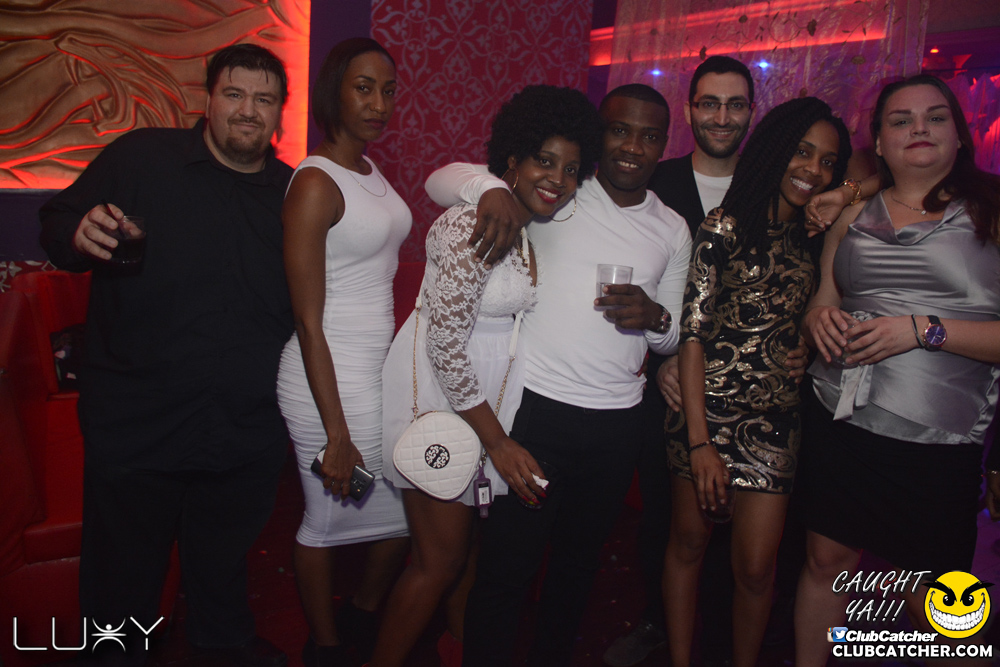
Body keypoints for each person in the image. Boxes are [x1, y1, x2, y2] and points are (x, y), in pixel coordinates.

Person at [38, 44, 293, 666]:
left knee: (223, 573)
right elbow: (58, 219)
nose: (248, 110)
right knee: (121, 583)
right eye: (234, 94)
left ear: (280, 112)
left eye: (264, 99)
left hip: (243, 427)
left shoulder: (294, 193)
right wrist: (77, 232)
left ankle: (220, 646)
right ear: (207, 100)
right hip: (137, 422)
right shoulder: (141, 157)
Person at [425, 83, 692, 667]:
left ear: (664, 145)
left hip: (618, 425)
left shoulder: (672, 228)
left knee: (577, 569)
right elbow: (441, 179)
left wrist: (654, 317)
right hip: (535, 412)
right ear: (599, 135)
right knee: (507, 567)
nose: (632, 147)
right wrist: (490, 189)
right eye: (619, 131)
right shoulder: (558, 190)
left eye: (649, 137)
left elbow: (673, 336)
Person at [369, 84, 602, 667]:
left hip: (482, 409)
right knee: (439, 562)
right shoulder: (471, 224)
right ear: (512, 162)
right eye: (545, 160)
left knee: (468, 556)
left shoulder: (522, 228)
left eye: (572, 169)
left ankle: (457, 651)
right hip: (444, 402)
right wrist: (498, 442)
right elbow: (446, 346)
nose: (557, 178)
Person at [794, 74, 1000, 667]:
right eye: (901, 120)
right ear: (879, 142)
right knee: (826, 564)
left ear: (959, 135)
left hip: (939, 436)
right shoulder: (852, 214)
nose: (919, 129)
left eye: (935, 117)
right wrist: (817, 320)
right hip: (840, 417)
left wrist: (922, 329)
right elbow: (823, 299)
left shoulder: (990, 213)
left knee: (934, 591)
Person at [664, 97, 851, 667]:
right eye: (802, 152)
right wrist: (699, 442)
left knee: (755, 568)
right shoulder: (724, 226)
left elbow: (883, 181)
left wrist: (807, 351)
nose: (813, 170)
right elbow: (692, 335)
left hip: (775, 420)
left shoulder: (816, 235)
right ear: (774, 150)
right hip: (704, 413)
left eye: (828, 162)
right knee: (689, 547)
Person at [605, 55, 757, 667]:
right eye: (709, 103)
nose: (721, 116)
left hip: (747, 387)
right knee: (664, 519)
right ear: (690, 111)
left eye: (735, 104)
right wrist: (661, 354)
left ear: (750, 112)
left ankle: (718, 632)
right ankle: (658, 622)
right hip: (664, 384)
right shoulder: (654, 180)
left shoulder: (768, 184)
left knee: (740, 525)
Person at [275, 38, 411, 667]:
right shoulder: (314, 181)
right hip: (324, 378)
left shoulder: (367, 169)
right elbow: (308, 321)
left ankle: (361, 613)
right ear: (334, 91)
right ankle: (325, 648)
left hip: (374, 375)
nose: (379, 103)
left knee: (403, 518)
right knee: (324, 522)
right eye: (364, 88)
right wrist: (336, 432)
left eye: (388, 90)